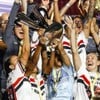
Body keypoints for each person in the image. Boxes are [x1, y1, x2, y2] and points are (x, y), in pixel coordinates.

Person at [5, 24, 33, 100]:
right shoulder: (14, 73)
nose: (19, 59)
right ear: (11, 66)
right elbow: (26, 52)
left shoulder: (11, 79)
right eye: (16, 60)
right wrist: (26, 31)